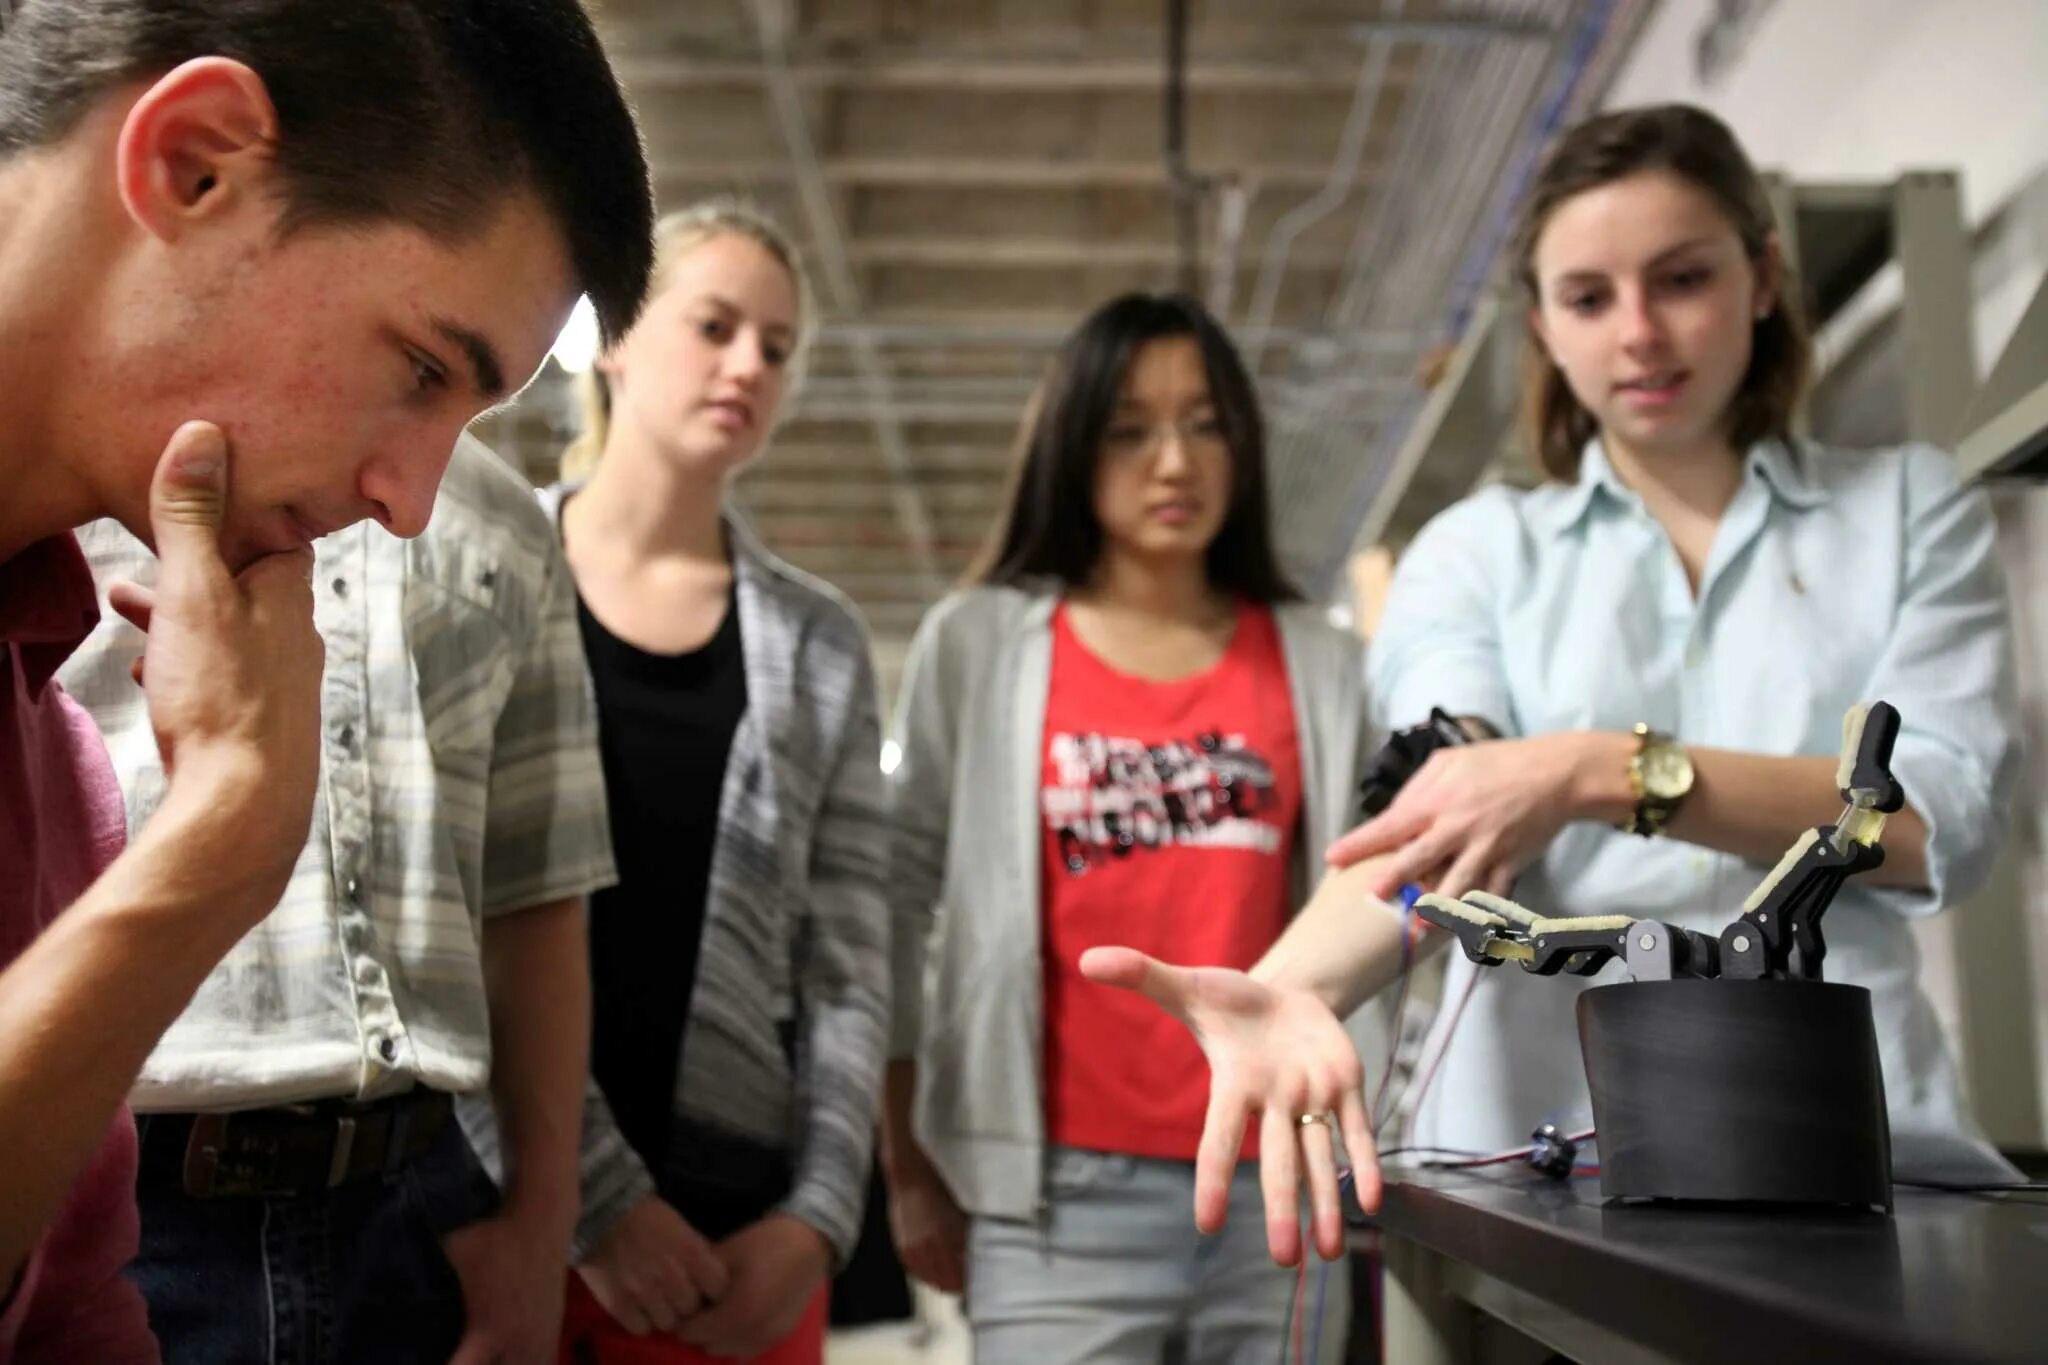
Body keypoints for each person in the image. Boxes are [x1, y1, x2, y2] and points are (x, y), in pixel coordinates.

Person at [1084, 101, 2021, 1259]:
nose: (1637, 332)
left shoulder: (1906, 511)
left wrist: (1594, 770)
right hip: (1538, 1180)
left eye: (1678, 278)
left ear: (1762, 276)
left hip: (1862, 1158)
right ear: (1540, 323)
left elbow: (1937, 820)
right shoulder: (1475, 552)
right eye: (1586, 298)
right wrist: (1289, 987)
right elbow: (1440, 808)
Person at [0, 0, 651, 1358]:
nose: (410, 505)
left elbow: (63, 1296)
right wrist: (217, 848)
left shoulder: (49, 736)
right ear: (195, 162)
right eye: (420, 365)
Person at [882, 293, 1383, 1362]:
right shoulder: (977, 646)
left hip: (1277, 1184)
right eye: (1129, 429)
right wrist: (906, 1166)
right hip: (1052, 1202)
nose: (1174, 462)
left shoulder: (1319, 664)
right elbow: (891, 914)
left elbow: (1376, 902)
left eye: (1204, 425)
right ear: (1073, 445)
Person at [66, 434, 620, 1365]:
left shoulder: (500, 515)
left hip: (416, 1218)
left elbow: (536, 896)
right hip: (110, 1203)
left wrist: (539, 1232)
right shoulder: (78, 445)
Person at [545, 202, 891, 1365]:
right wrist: (596, 1201)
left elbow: (847, 961)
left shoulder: (819, 642)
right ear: (614, 337)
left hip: (741, 1245)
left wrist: (818, 1218)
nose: (748, 363)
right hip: (508, 1208)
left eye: (777, 347)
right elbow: (440, 916)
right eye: (714, 324)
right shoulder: (492, 573)